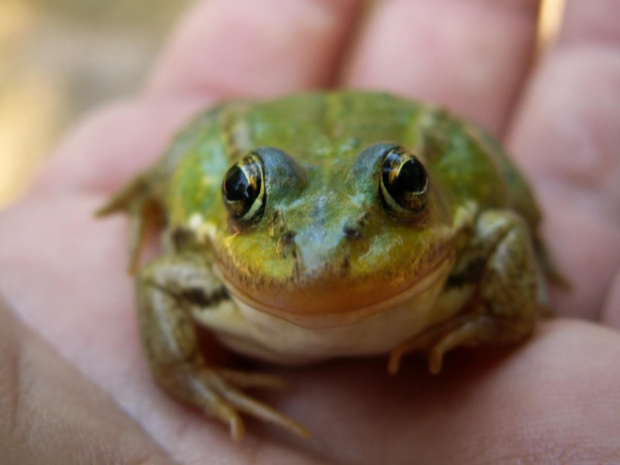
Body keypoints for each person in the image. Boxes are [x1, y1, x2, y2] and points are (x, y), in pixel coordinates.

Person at [1, 1, 619, 463]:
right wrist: (188, 375)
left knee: (496, 189)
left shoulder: (461, 251)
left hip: (413, 133)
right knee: (211, 145)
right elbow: (159, 283)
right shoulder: (199, 279)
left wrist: (503, 315)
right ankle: (173, 184)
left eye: (401, 189)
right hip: (253, 131)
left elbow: (506, 230)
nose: (323, 257)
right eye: (247, 197)